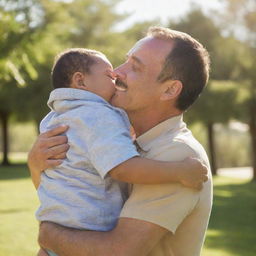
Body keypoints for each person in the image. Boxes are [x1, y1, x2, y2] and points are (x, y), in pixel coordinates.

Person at [28, 26, 213, 256]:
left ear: (170, 89)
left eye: (135, 67)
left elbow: (118, 251)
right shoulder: (113, 135)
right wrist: (37, 167)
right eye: (125, 62)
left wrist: (49, 235)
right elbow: (74, 193)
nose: (116, 72)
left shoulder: (176, 154)